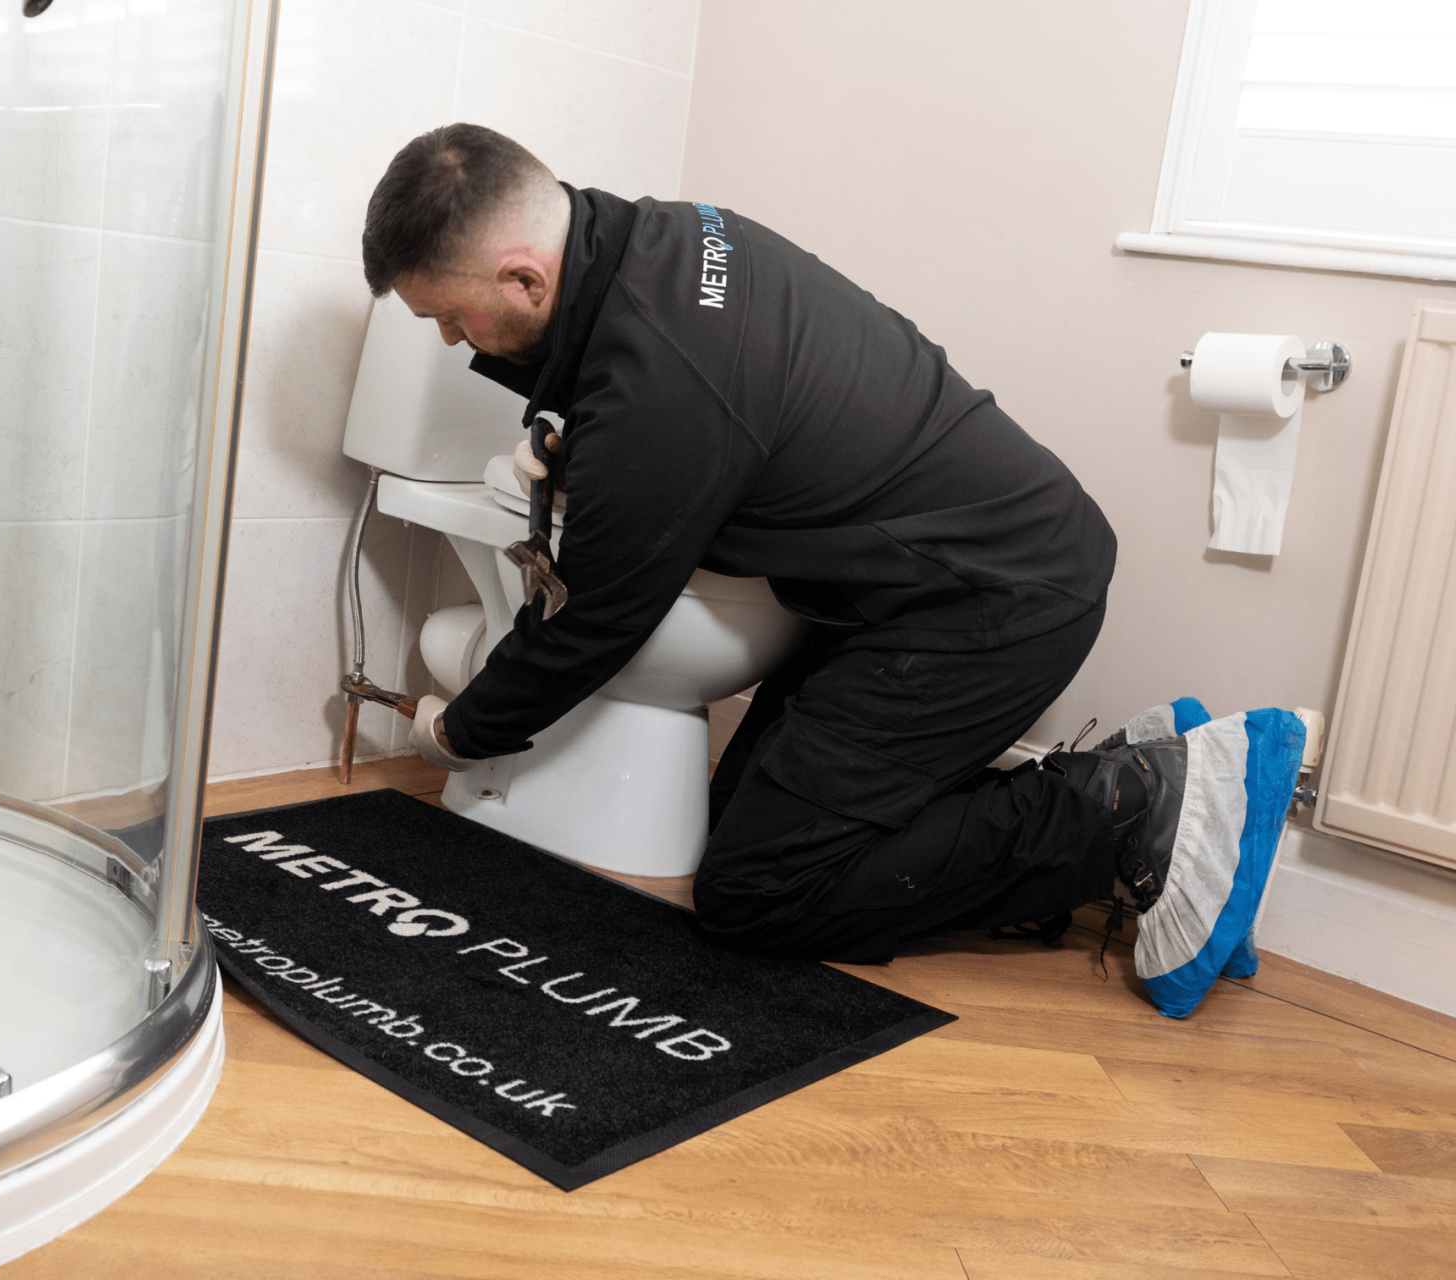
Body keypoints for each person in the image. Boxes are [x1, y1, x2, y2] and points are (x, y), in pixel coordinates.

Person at [362, 124, 1302, 1017]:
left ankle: (1131, 806)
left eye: (450, 315)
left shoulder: (660, 373)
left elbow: (595, 620)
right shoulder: (666, 236)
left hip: (990, 603)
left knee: (760, 893)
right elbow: (718, 427)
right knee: (736, 826)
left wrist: (462, 732)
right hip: (917, 584)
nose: (449, 338)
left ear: (524, 275)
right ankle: (1146, 779)